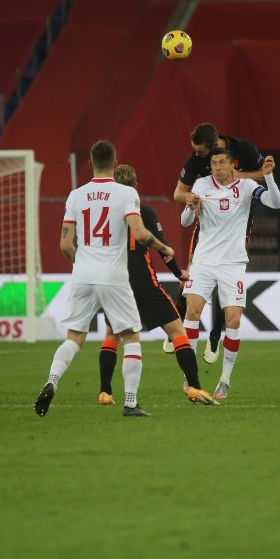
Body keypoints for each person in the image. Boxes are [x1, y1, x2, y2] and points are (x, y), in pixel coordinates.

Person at [34, 140, 174, 418]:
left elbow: (64, 245)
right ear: (115, 162)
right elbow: (140, 233)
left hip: (83, 274)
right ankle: (131, 403)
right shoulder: (126, 193)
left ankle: (52, 381)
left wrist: (82, 262)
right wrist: (164, 248)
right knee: (130, 337)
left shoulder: (75, 195)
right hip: (113, 275)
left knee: (74, 337)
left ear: (89, 163)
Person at [97, 164, 217, 407]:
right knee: (177, 331)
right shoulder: (145, 212)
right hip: (142, 280)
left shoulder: (105, 214)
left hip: (113, 280)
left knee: (112, 335)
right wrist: (178, 273)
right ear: (136, 186)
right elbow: (162, 247)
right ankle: (194, 386)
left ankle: (105, 392)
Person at [180, 147, 280, 399]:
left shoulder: (246, 186)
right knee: (192, 313)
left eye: (221, 163)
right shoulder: (202, 184)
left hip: (233, 263)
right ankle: (189, 378)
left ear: (231, 164)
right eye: (213, 163)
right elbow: (184, 222)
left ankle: (224, 379)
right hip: (204, 260)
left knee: (233, 321)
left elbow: (276, 203)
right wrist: (189, 206)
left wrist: (268, 176)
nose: (216, 167)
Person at [167, 123, 266, 363]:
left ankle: (214, 335)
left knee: (227, 284)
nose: (197, 156)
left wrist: (237, 178)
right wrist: (190, 198)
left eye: (201, 152)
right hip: (208, 215)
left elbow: (266, 174)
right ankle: (177, 329)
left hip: (238, 215)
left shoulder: (243, 148)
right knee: (193, 270)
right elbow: (178, 193)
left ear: (214, 146)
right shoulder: (195, 162)